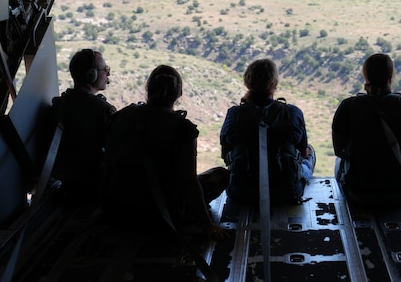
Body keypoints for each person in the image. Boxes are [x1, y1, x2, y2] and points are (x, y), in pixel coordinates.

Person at [102, 65, 227, 238]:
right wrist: (207, 226)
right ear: (179, 94)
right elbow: (188, 182)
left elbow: (108, 162)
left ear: (148, 89)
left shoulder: (121, 116)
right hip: (161, 214)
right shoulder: (183, 129)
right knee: (220, 175)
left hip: (117, 209)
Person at [332, 53, 401, 206]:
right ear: (391, 77)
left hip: (358, 191)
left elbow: (339, 150)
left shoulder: (348, 106)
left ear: (366, 77)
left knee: (338, 162)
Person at [220, 58, 315, 204]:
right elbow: (302, 153)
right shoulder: (291, 112)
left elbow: (225, 154)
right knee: (310, 151)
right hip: (287, 191)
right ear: (275, 84)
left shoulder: (235, 114)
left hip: (241, 192)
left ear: (247, 83)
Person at [48, 48, 116, 201]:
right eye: (105, 70)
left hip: (60, 185)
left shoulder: (58, 105)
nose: (108, 74)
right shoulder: (103, 110)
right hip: (90, 189)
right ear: (91, 74)